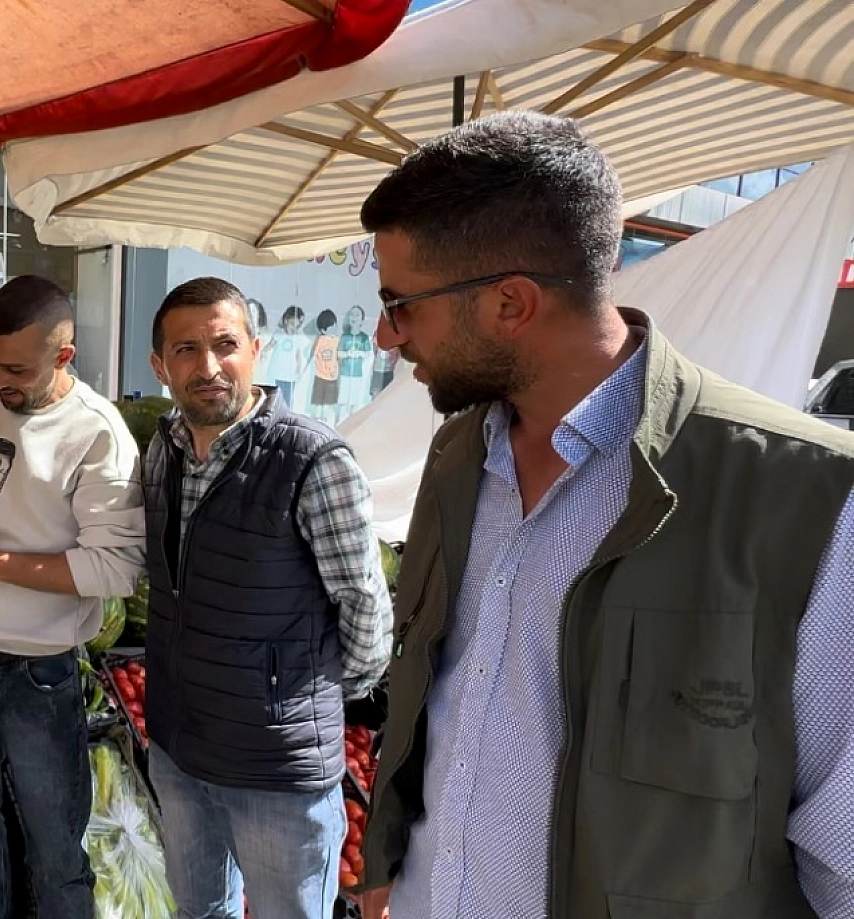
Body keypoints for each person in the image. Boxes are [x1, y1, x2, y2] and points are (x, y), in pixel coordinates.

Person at [356, 112, 854, 919]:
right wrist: (389, 856)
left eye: (400, 304)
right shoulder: (456, 455)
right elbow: (436, 701)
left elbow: (844, 860)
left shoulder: (808, 497)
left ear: (510, 303)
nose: (386, 335)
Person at [141, 277, 393, 919]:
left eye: (225, 345)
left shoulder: (313, 460)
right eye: (186, 350)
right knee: (199, 911)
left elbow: (364, 605)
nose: (208, 366)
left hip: (274, 769)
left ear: (256, 350)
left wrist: (301, 699)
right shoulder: (162, 450)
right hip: (178, 745)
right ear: (159, 366)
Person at [0, 275, 145, 919]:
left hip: (37, 674)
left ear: (63, 355)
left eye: (16, 369)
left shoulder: (98, 434)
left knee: (55, 848)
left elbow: (114, 570)